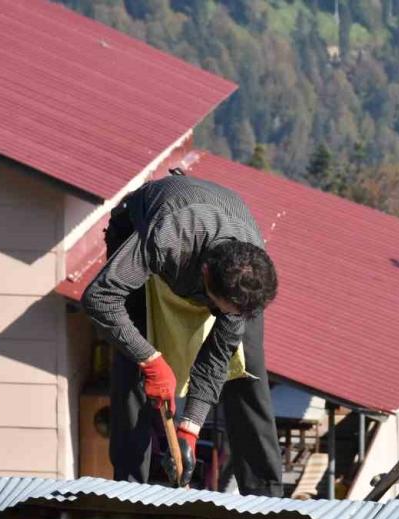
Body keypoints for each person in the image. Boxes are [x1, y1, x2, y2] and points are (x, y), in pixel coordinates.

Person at [82, 171, 283, 494]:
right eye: (220, 308)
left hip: (218, 230)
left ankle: (268, 498)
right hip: (143, 227)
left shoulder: (249, 276)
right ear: (205, 278)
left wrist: (189, 429)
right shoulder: (166, 239)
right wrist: (150, 360)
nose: (223, 317)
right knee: (132, 366)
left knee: (247, 369)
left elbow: (217, 358)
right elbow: (99, 298)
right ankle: (130, 490)